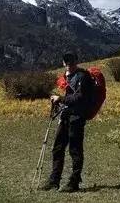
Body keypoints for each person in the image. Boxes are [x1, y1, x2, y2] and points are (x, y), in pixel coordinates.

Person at [40, 53, 94, 193]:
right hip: (65, 116)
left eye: (71, 62)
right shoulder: (66, 76)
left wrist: (61, 99)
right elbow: (69, 96)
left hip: (77, 117)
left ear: (76, 61)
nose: (69, 64)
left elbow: (80, 97)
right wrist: (58, 101)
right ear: (64, 63)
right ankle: (54, 180)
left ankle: (74, 182)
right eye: (67, 62)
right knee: (58, 148)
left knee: (75, 150)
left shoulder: (83, 76)